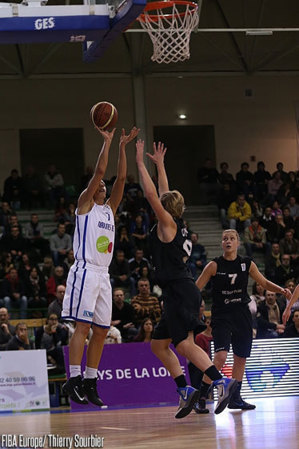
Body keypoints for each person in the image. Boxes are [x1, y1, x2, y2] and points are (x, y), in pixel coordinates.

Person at [136, 138, 238, 419]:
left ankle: (221, 382)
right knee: (158, 345)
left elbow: (151, 193)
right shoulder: (173, 223)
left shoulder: (167, 224)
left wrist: (138, 161)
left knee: (184, 345)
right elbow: (163, 191)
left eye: (161, 203)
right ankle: (185, 390)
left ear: (165, 208)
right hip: (176, 291)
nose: (158, 202)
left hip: (180, 290)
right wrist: (160, 165)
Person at [61, 125, 139, 407]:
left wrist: (122, 147)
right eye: (100, 185)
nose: (104, 186)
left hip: (103, 275)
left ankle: (91, 380)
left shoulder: (109, 209)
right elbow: (100, 173)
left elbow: (120, 179)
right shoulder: (85, 205)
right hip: (85, 270)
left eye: (105, 186)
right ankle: (73, 379)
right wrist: (106, 143)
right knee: (82, 326)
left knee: (102, 330)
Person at [195, 229, 291, 413]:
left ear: (238, 243)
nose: (228, 241)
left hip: (242, 314)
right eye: (225, 239)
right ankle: (202, 395)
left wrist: (281, 290)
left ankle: (235, 398)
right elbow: (196, 288)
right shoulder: (214, 265)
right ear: (221, 244)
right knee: (221, 357)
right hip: (221, 315)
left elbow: (263, 282)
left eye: (232, 238)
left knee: (241, 357)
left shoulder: (247, 263)